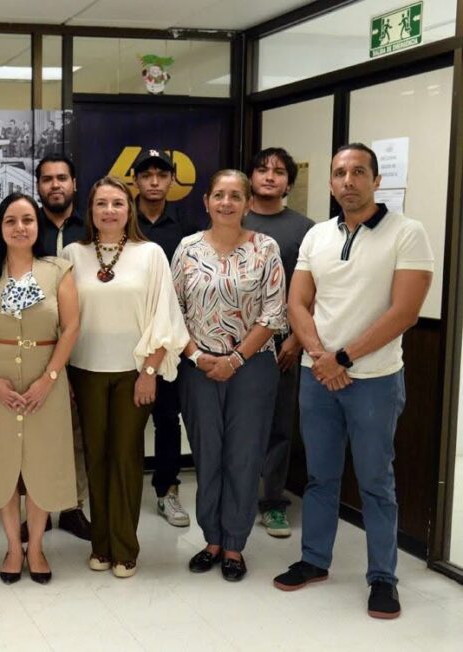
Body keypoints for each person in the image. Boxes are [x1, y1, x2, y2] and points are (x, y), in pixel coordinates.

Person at [273, 144, 433, 619]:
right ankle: (314, 560)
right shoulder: (317, 235)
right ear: (330, 182)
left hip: (374, 380)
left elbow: (405, 312)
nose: (348, 180)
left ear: (376, 180)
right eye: (340, 173)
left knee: (376, 482)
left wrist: (342, 358)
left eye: (359, 171)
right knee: (320, 476)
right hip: (317, 377)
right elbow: (297, 303)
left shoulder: (408, 233)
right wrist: (321, 358)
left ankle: (382, 577)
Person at [63, 176, 188, 578]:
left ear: (129, 209)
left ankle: (125, 548)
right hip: (85, 371)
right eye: (101, 203)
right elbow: (62, 319)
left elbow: (164, 318)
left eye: (117, 203)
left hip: (134, 372)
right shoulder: (72, 254)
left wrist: (150, 371)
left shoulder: (150, 254)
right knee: (96, 458)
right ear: (90, 210)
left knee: (126, 457)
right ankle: (101, 544)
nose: (109, 210)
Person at [173, 169, 285, 582]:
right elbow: (173, 310)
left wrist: (234, 360)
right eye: (219, 195)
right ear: (206, 201)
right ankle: (212, 541)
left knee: (244, 454)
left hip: (252, 368)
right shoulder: (187, 248)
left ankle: (235, 543)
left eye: (235, 196)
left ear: (248, 203)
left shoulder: (265, 248)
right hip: (198, 368)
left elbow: (273, 313)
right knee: (207, 454)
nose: (226, 202)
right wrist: (196, 356)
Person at [0, 192, 79, 585]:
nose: (19, 228)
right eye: (10, 220)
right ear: (0, 228)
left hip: (46, 381)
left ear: (37, 225)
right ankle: (14, 547)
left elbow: (71, 328)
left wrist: (49, 379)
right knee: (4, 466)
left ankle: (38, 546)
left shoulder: (58, 270)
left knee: (43, 463)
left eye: (27, 220)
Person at [133, 148, 208, 527]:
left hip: (169, 339)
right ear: (135, 180)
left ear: (171, 180)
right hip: (127, 335)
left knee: (167, 418)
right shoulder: (121, 218)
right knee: (124, 423)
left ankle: (167, 490)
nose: (154, 181)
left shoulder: (187, 227)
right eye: (146, 175)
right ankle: (120, 492)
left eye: (161, 175)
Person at [244, 147, 315, 538]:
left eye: (278, 171)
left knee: (279, 424)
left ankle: (272, 502)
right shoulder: (234, 219)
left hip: (284, 343)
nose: (269, 176)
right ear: (251, 177)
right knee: (238, 422)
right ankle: (236, 495)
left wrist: (298, 340)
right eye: (262, 169)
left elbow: (313, 291)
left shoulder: (306, 229)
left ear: (289, 182)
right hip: (235, 341)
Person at [24, 154, 91, 543]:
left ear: (74, 184)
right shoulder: (27, 227)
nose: (55, 185)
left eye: (62, 178)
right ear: (38, 186)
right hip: (37, 346)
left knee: (76, 433)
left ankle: (72, 507)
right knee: (35, 433)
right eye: (47, 179)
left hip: (83, 343)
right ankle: (36, 510)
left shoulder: (91, 228)